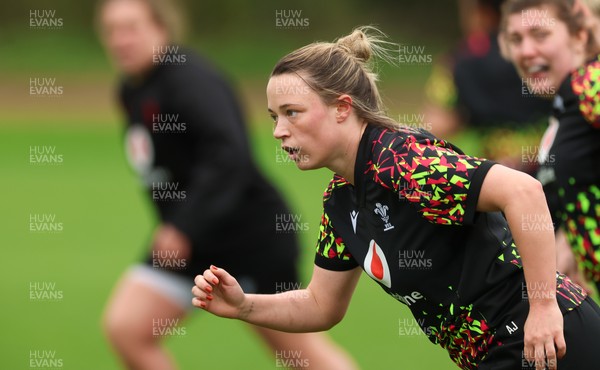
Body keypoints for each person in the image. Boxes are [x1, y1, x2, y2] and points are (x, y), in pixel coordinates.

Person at [192, 26, 600, 370]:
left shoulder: (401, 160)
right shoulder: (341, 201)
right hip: (500, 352)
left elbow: (524, 191)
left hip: (546, 338)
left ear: (342, 107)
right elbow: (321, 304)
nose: (279, 130)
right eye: (273, 117)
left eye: (292, 112)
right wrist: (245, 305)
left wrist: (543, 308)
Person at [96, 0, 358, 369]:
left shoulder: (191, 80)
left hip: (249, 238)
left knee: (303, 358)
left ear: (162, 28)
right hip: (191, 244)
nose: (119, 40)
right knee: (127, 327)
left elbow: (229, 156)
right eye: (111, 30)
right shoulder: (131, 89)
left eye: (131, 28)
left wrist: (184, 224)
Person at [500, 0, 600, 297]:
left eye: (540, 35)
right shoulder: (567, 106)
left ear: (579, 35)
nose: (526, 51)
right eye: (516, 39)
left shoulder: (590, 81)